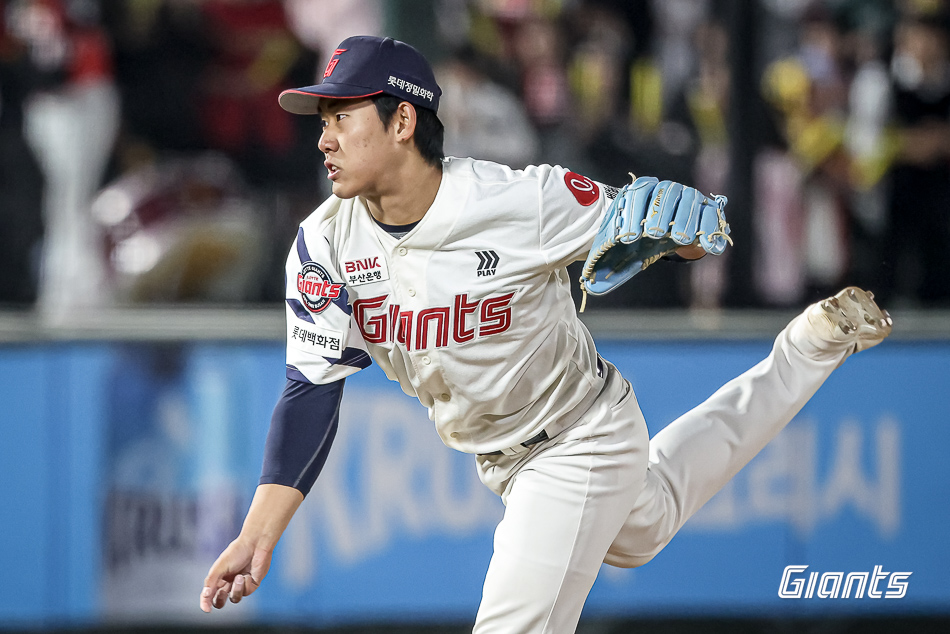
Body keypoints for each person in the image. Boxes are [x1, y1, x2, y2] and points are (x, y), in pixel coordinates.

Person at [198, 36, 892, 633]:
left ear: (402, 120)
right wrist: (257, 536)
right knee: (647, 525)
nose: (324, 138)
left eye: (342, 117)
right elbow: (310, 392)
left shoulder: (518, 200)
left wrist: (684, 233)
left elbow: (665, 230)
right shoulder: (323, 243)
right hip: (504, 459)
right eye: (323, 120)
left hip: (577, 439)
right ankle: (809, 349)